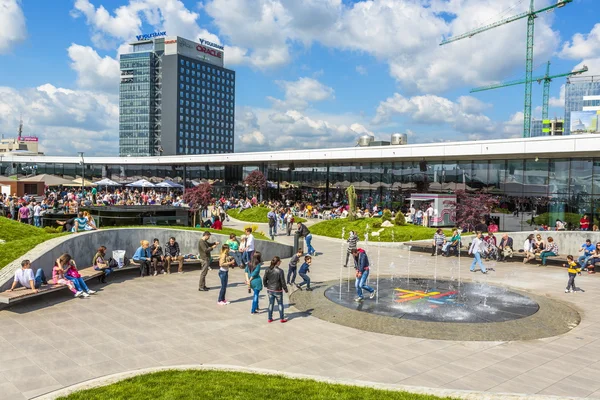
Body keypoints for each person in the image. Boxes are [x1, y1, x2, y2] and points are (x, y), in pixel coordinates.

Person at [263, 256, 289, 323]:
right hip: (278, 290)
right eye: (280, 261)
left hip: (270, 289)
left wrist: (266, 285)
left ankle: (270, 318)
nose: (280, 262)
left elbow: (264, 279)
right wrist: (286, 289)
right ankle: (282, 318)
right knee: (280, 304)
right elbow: (283, 281)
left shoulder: (267, 269)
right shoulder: (280, 271)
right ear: (277, 262)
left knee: (271, 304)